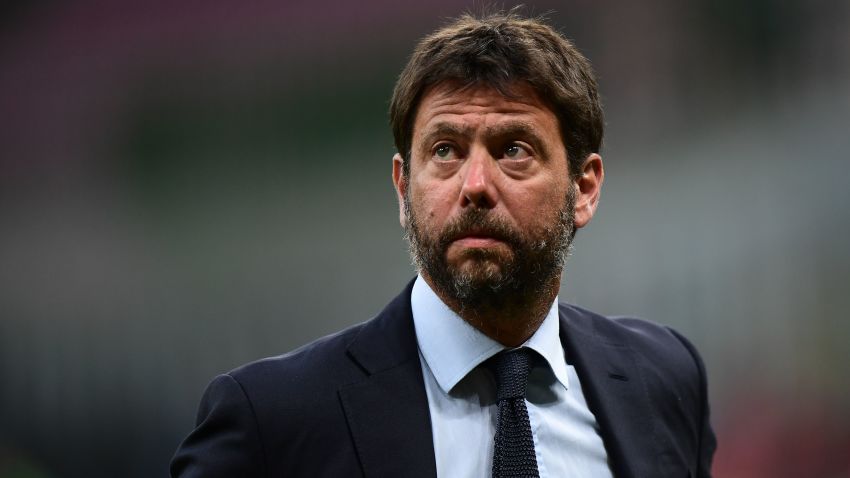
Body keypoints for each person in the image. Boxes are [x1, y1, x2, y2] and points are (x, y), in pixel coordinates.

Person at [171, 11, 716, 478]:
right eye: (447, 150)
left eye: (514, 149)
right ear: (404, 188)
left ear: (584, 188)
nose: (474, 184)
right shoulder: (272, 421)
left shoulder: (664, 378)